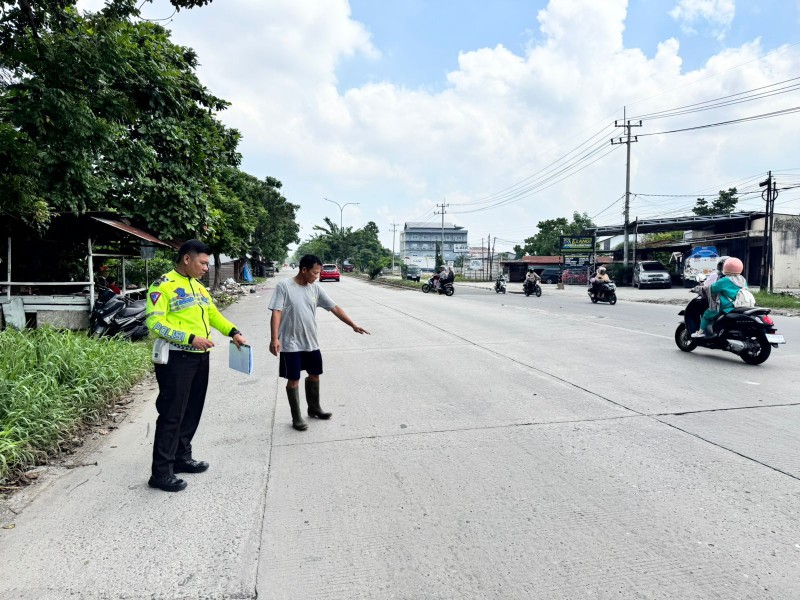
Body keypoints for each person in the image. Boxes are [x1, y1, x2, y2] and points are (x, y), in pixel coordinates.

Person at [145, 240, 247, 492]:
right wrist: (189, 338)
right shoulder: (163, 286)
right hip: (177, 358)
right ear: (187, 259)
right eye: (202, 263)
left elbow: (213, 314)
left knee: (192, 409)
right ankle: (160, 472)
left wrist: (233, 332)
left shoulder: (199, 288)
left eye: (207, 263)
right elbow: (155, 324)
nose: (205, 268)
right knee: (172, 413)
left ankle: (181, 457)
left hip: (200, 357)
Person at [269, 254, 369, 431]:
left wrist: (352, 324)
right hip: (290, 344)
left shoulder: (315, 289)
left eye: (318, 273)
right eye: (314, 273)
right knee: (293, 380)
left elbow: (334, 308)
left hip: (311, 342)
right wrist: (274, 338)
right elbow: (276, 312)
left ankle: (314, 408)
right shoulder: (284, 286)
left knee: (314, 375)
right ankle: (296, 417)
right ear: (304, 269)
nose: (316, 276)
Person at [692, 257, 748, 338]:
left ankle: (700, 333)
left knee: (707, 314)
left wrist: (697, 289)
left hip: (726, 306)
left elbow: (712, 289)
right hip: (740, 305)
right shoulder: (742, 279)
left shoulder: (725, 280)